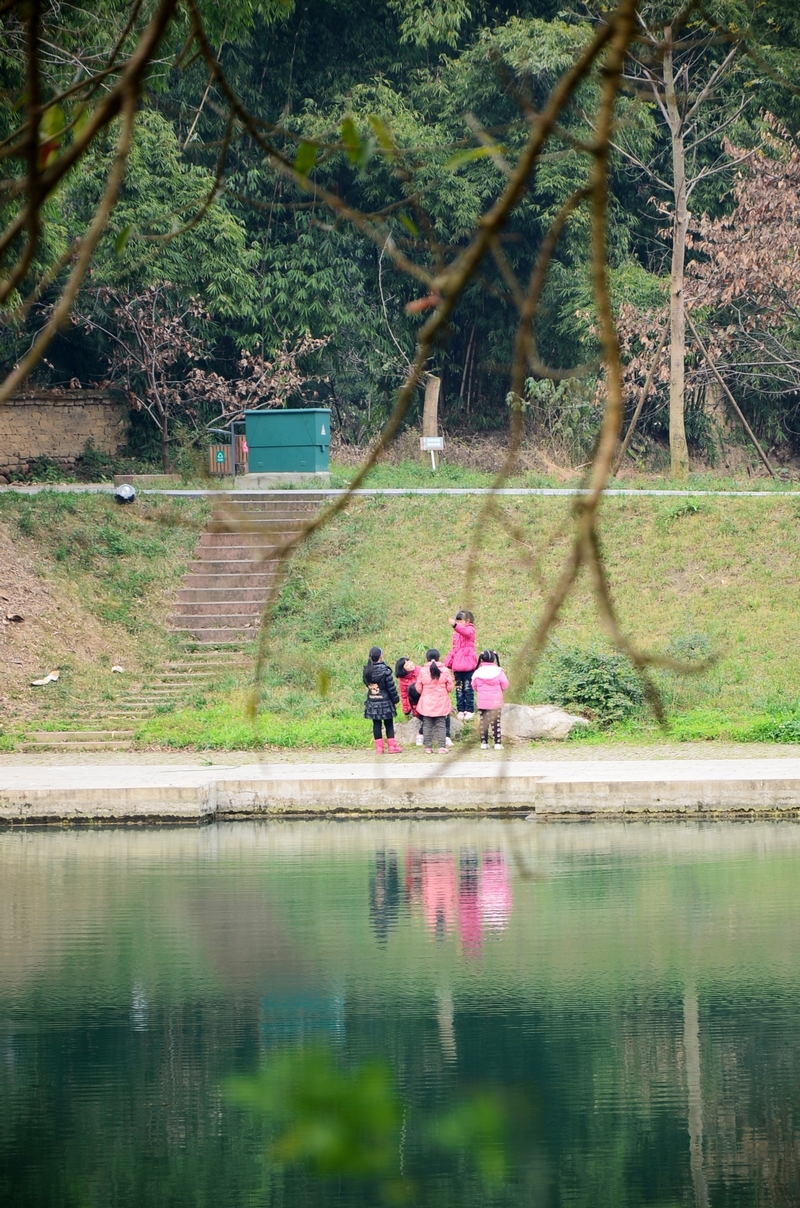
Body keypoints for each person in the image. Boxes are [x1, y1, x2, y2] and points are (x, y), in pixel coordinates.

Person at [395, 656, 453, 747]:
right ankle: (425, 738)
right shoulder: (403, 680)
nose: (410, 665)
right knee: (430, 718)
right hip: (416, 704)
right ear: (402, 669)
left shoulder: (421, 670)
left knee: (443, 715)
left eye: (410, 662)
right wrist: (406, 709)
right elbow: (404, 695)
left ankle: (444, 736)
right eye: (407, 665)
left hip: (428, 700)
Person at [414, 648, 455, 754]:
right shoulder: (445, 670)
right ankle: (441, 747)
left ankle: (428, 748)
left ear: (427, 659)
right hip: (441, 701)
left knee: (427, 724)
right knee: (441, 724)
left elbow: (418, 687)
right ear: (439, 658)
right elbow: (450, 686)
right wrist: (445, 691)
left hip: (427, 702)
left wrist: (424, 693)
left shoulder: (422, 671)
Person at [363, 646, 402, 753]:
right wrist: (395, 701)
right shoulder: (385, 671)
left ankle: (379, 748)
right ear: (381, 656)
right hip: (385, 701)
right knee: (388, 723)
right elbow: (391, 688)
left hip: (372, 701)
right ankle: (392, 746)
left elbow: (366, 684)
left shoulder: (366, 670)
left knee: (376, 724)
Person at [471, 649, 509, 750]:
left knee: (483, 722)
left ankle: (484, 743)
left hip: (482, 702)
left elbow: (474, 686)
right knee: (496, 722)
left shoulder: (477, 672)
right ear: (494, 659)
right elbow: (505, 684)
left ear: (481, 659)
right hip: (496, 702)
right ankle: (497, 743)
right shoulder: (499, 671)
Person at [445, 610, 478, 720]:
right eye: (457, 621)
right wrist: (448, 662)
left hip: (468, 666)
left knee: (468, 688)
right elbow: (454, 649)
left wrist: (455, 625)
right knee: (459, 689)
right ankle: (461, 709)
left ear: (467, 621)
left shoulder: (470, 630)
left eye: (461, 621)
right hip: (458, 667)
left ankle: (469, 709)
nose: (458, 623)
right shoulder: (456, 634)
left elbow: (465, 632)